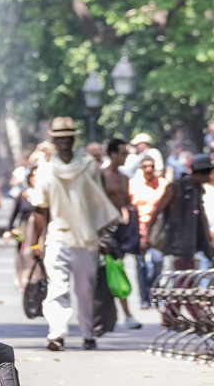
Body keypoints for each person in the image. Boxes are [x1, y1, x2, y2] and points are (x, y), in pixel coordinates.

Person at [29, 116, 120, 352]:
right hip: (58, 236)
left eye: (68, 137)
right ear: (54, 140)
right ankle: (56, 334)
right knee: (57, 289)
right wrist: (34, 244)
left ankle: (88, 334)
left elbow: (100, 202)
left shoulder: (89, 166)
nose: (65, 142)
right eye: (60, 138)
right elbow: (41, 210)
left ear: (73, 139)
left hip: (87, 239)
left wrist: (104, 238)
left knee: (85, 291)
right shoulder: (46, 170)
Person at [147, 154, 214, 271]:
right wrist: (147, 236)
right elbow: (158, 210)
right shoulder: (176, 187)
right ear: (201, 173)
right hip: (174, 244)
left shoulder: (197, 189)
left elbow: (200, 216)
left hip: (191, 245)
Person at [101, 139, 141, 329]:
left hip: (119, 229)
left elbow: (125, 203)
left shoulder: (124, 178)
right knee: (111, 270)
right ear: (113, 154)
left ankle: (120, 315)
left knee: (116, 269)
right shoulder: (101, 175)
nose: (126, 157)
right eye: (123, 153)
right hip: (103, 229)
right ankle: (123, 314)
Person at [129, 156, 169, 309]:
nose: (149, 169)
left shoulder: (163, 184)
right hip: (139, 229)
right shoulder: (133, 185)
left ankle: (154, 294)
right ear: (141, 168)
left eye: (151, 166)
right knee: (141, 265)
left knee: (157, 262)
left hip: (157, 230)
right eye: (145, 166)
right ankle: (144, 298)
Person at [3, 166, 38, 292]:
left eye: (37, 176)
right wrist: (8, 230)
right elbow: (14, 213)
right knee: (23, 256)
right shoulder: (23, 194)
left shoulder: (45, 194)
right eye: (32, 176)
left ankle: (38, 282)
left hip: (41, 233)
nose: (34, 179)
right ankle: (25, 282)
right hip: (25, 232)